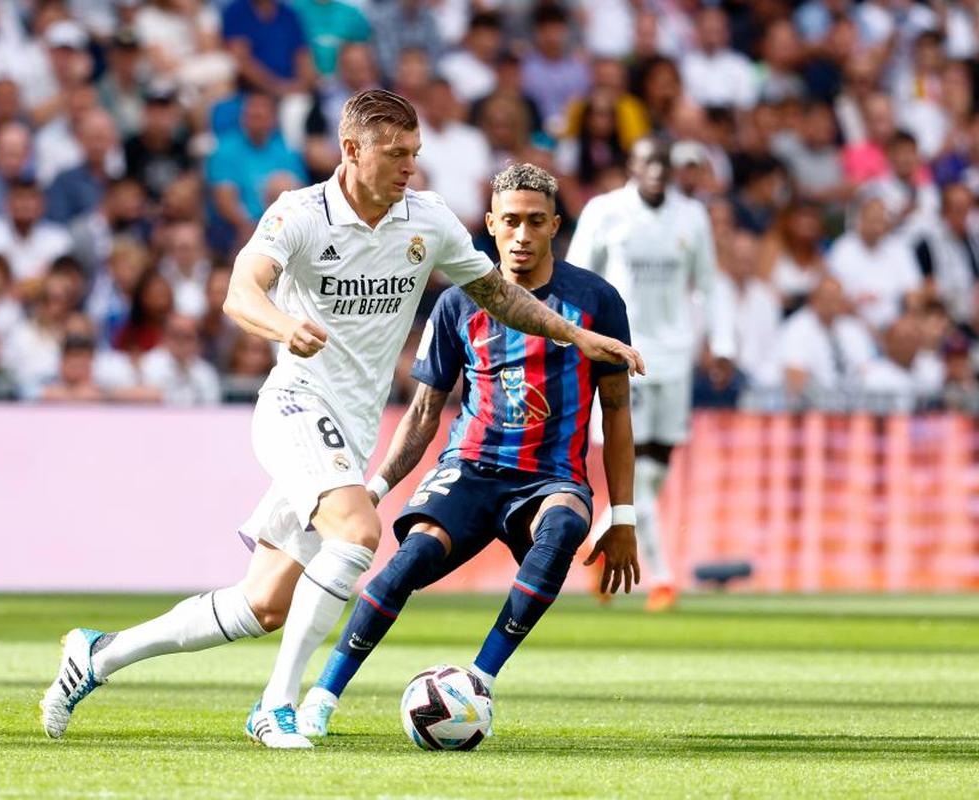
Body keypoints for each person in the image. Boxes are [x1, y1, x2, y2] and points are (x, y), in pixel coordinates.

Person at [39, 89, 643, 749]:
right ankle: (277, 706)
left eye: (414, 152)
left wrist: (574, 337)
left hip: (346, 434)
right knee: (358, 533)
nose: (410, 165)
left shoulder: (428, 220)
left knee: (260, 604)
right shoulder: (298, 215)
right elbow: (243, 290)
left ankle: (97, 655)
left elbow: (498, 295)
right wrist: (280, 326)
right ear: (352, 151)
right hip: (294, 405)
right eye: (395, 153)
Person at [296, 163, 639, 737]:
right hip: (471, 470)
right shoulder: (458, 304)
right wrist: (375, 490)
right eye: (511, 222)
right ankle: (321, 699)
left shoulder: (596, 301)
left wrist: (623, 513)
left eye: (535, 222)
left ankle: (476, 683)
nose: (523, 235)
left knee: (560, 531)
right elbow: (426, 412)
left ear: (556, 224)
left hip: (549, 477)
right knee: (408, 565)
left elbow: (619, 410)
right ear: (490, 225)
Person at [566, 136, 732, 612]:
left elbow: (708, 283)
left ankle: (601, 540)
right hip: (621, 356)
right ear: (632, 168)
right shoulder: (604, 212)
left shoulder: (691, 216)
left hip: (675, 357)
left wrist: (721, 344)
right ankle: (662, 578)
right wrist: (574, 340)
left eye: (663, 164)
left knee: (652, 474)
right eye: (647, 163)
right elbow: (577, 276)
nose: (656, 172)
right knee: (634, 471)